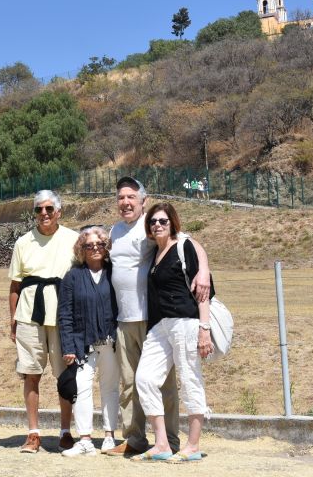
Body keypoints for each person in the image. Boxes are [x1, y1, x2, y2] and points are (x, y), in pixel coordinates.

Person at [104, 177, 210, 459]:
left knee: (168, 384)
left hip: (155, 317)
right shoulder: (115, 230)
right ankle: (135, 438)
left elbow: (187, 241)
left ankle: (174, 441)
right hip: (126, 319)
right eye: (120, 197)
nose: (125, 202)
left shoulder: (152, 223)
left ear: (143, 201)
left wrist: (203, 269)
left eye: (131, 197)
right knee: (133, 382)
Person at [135, 202, 214, 462]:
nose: (157, 225)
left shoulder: (184, 246)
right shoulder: (154, 253)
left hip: (186, 321)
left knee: (190, 378)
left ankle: (192, 445)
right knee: (145, 379)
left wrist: (204, 329)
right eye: (153, 222)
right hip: (159, 326)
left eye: (162, 221)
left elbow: (203, 292)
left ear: (172, 224)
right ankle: (161, 444)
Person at [8, 190, 79, 453]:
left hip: (63, 318)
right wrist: (13, 320)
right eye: (39, 209)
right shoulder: (23, 242)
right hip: (29, 317)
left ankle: (65, 432)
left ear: (59, 211)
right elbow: (15, 285)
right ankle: (33, 433)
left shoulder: (73, 239)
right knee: (31, 375)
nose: (44, 214)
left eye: (49, 209)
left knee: (65, 377)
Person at [57, 226, 120, 456]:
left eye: (100, 244)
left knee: (110, 389)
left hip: (110, 342)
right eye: (89, 245)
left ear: (106, 247)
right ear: (81, 249)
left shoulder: (114, 272)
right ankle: (84, 439)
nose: (95, 248)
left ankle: (109, 436)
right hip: (83, 345)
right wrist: (68, 346)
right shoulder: (72, 277)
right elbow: (64, 314)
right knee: (82, 389)